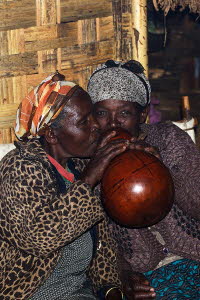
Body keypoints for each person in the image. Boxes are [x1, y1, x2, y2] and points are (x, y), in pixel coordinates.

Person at [0, 71, 130, 300]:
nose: (96, 127)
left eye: (92, 117)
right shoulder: (19, 167)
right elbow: (40, 237)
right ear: (51, 134)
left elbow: (103, 248)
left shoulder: (77, 166)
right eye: (84, 121)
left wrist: (110, 289)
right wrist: (88, 180)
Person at [88, 60, 200, 299]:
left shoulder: (168, 139)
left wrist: (161, 170)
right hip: (146, 273)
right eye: (102, 113)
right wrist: (121, 273)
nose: (113, 123)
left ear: (143, 115)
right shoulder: (87, 162)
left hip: (195, 255)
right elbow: (95, 240)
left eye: (124, 113)